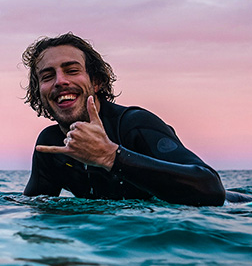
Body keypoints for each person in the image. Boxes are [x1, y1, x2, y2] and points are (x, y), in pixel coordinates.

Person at [21, 33, 227, 207]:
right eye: (47, 76)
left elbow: (212, 190)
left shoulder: (134, 125)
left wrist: (110, 157)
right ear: (39, 93)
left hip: (237, 209)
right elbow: (33, 205)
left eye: (72, 71)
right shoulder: (50, 145)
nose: (60, 81)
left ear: (97, 82)